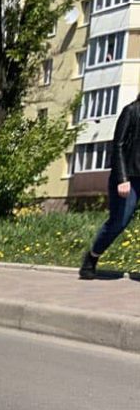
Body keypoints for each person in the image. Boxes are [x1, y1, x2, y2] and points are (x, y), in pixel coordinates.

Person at [80, 92, 140, 279]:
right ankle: (92, 257)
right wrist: (122, 178)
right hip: (128, 177)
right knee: (119, 221)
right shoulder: (131, 111)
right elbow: (118, 146)